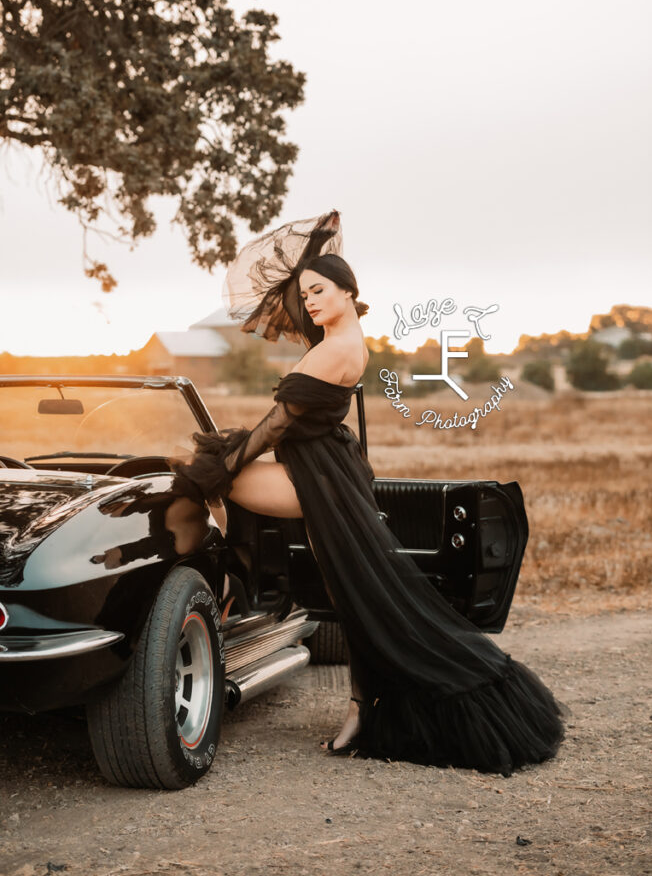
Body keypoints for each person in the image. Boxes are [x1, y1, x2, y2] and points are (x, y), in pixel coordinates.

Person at [169, 209, 567, 772]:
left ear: (349, 292)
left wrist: (224, 462)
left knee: (358, 594)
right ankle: (252, 599)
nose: (307, 300)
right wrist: (311, 252)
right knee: (354, 595)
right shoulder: (336, 332)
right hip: (326, 466)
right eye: (304, 292)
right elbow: (293, 308)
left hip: (319, 478)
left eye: (319, 290)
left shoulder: (337, 346)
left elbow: (278, 424)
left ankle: (236, 592)